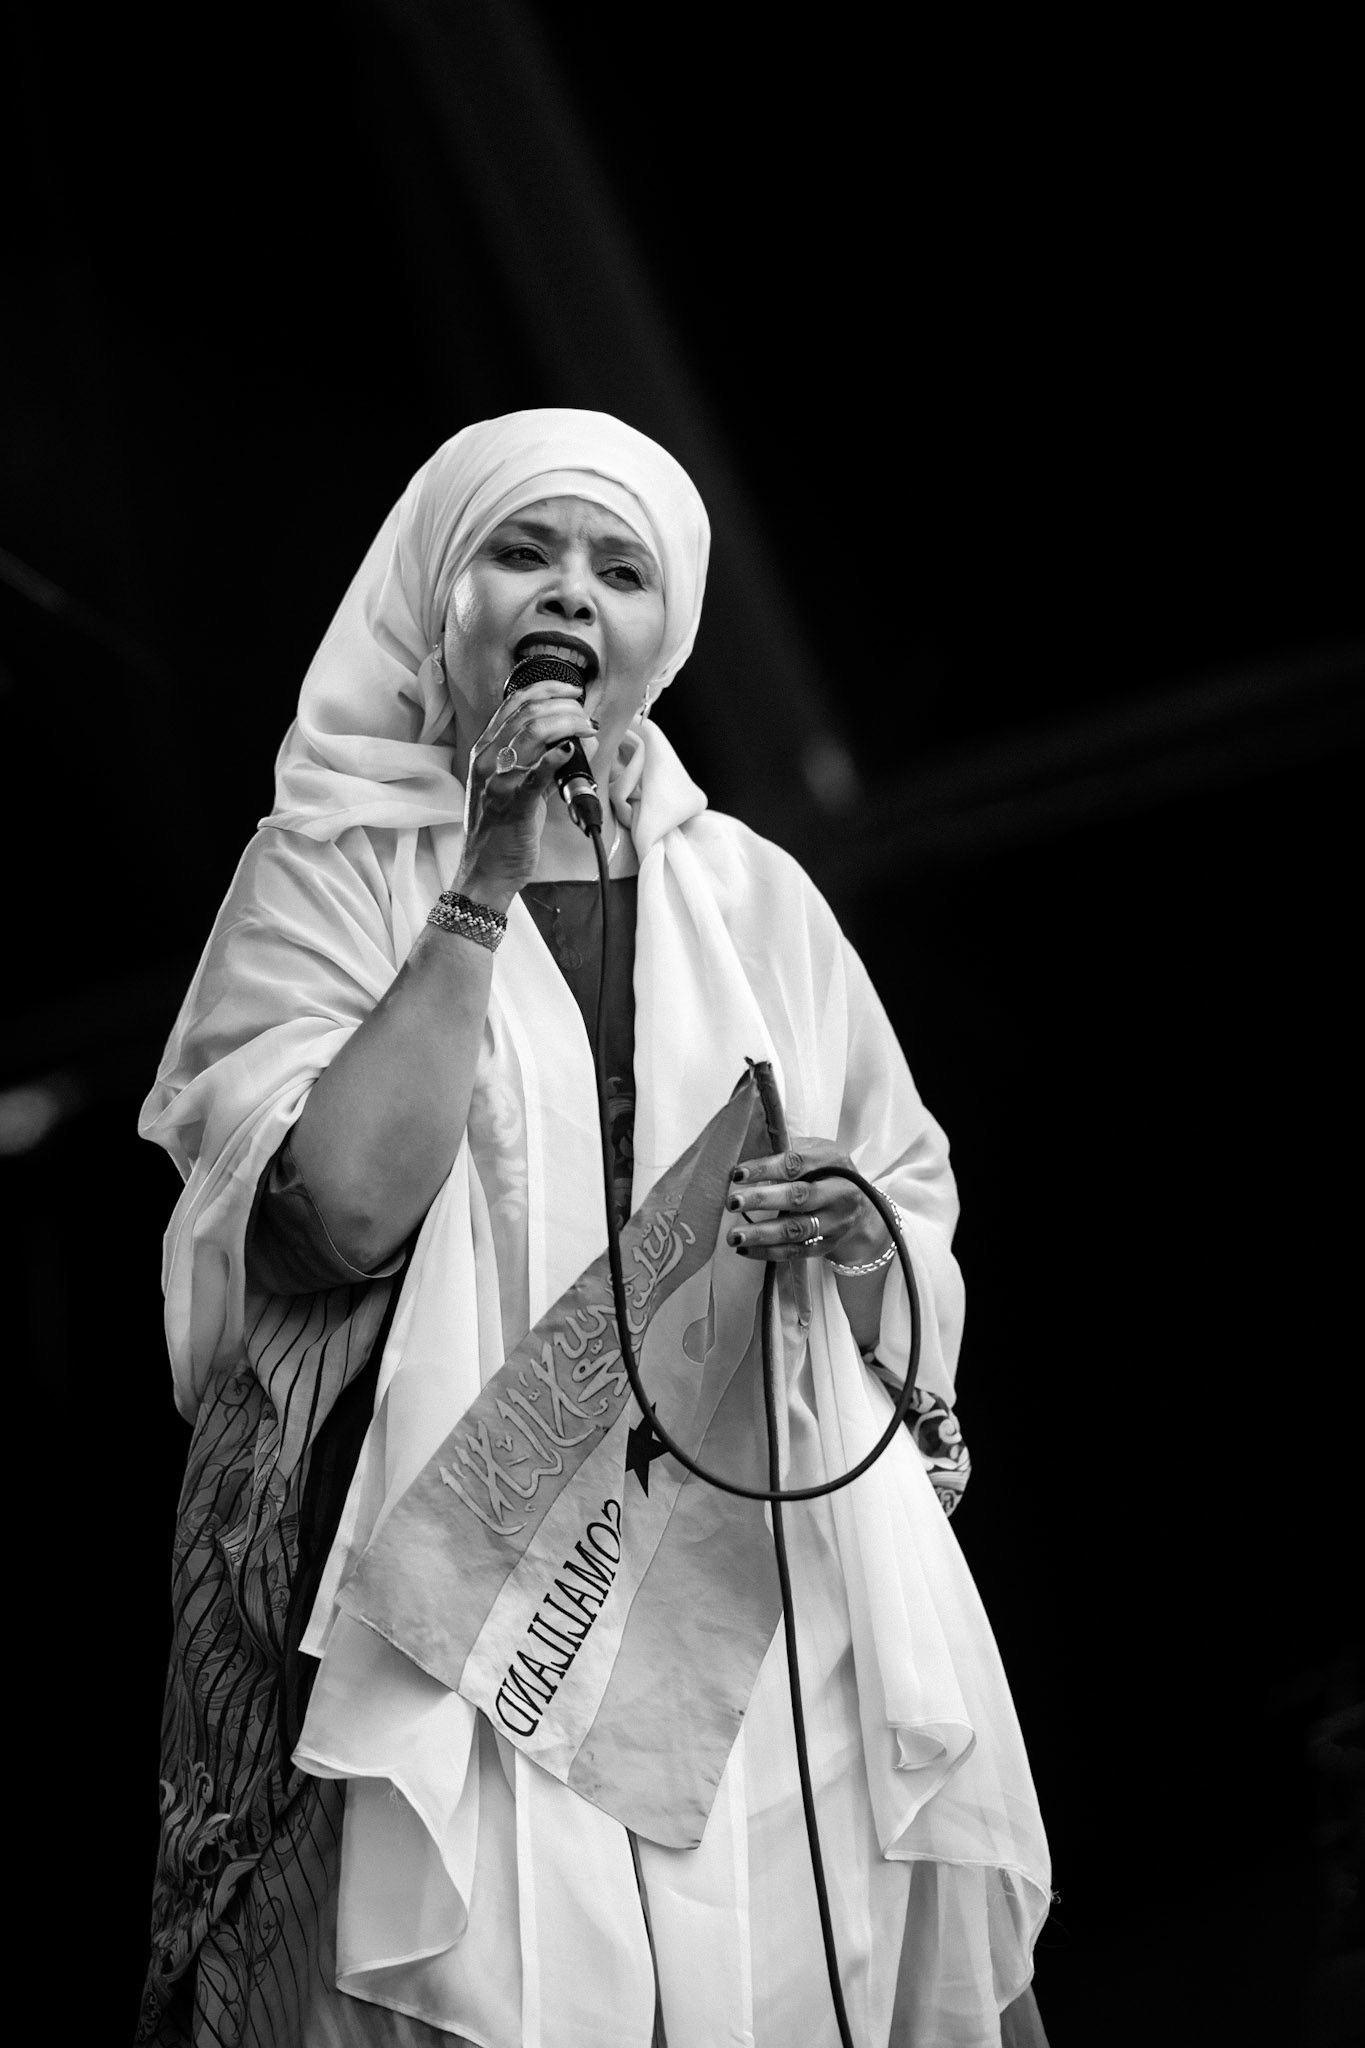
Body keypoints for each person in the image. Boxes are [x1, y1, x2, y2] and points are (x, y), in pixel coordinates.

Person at [137, 409, 1051, 2048]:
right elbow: (333, 1212)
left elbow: (902, 1207)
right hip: (465, 1595)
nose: (572, 593)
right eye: (523, 551)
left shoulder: (754, 895)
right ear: (441, 595)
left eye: (618, 568)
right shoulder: (329, 872)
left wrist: (849, 1231)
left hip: (747, 1597)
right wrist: (482, 868)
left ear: (663, 632)